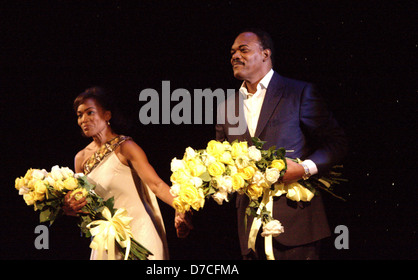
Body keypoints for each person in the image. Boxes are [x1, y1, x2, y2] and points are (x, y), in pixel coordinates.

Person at [214, 28, 348, 259]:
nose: (235, 56)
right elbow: (221, 161)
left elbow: (336, 143)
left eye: (243, 50)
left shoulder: (298, 92)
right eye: (232, 52)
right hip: (249, 231)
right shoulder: (226, 108)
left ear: (265, 54)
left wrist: (304, 169)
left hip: (296, 225)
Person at [63, 87, 191, 260]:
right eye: (79, 115)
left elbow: (157, 185)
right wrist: (68, 208)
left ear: (107, 115)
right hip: (106, 242)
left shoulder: (125, 147)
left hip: (139, 234)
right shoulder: (81, 159)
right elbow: (84, 207)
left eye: (90, 113)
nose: (83, 120)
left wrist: (181, 206)